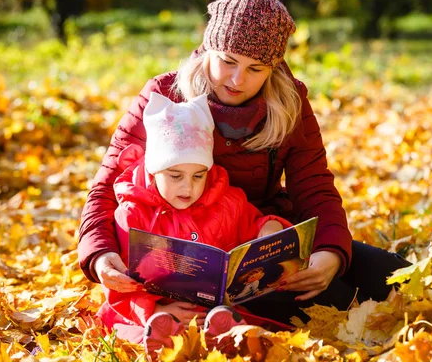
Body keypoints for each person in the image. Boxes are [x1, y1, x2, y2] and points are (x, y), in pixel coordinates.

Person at [78, 0, 410, 330]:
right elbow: (106, 188)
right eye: (228, 62)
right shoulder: (163, 96)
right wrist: (100, 255)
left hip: (264, 240)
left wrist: (330, 253)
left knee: (392, 276)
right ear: (209, 49)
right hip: (185, 257)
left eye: (256, 69)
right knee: (341, 303)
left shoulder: (289, 101)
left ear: (274, 67)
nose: (238, 79)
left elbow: (315, 187)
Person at [99, 91, 291, 355]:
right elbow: (122, 283)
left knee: (237, 323)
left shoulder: (228, 202)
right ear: (154, 171)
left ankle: (226, 334)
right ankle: (161, 332)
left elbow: (254, 227)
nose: (188, 187)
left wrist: (269, 227)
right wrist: (154, 309)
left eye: (198, 176)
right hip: (154, 310)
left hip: (213, 309)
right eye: (175, 176)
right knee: (134, 328)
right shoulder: (133, 213)